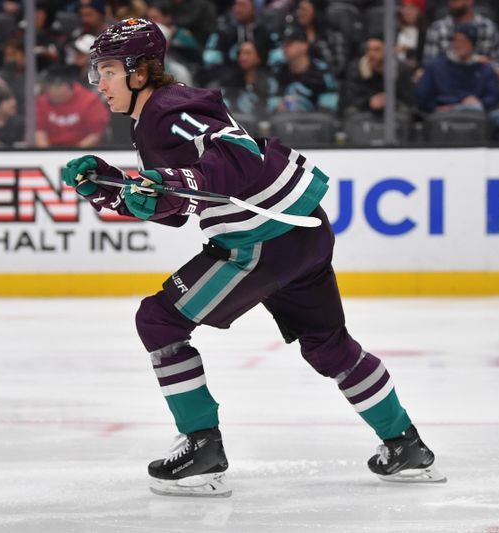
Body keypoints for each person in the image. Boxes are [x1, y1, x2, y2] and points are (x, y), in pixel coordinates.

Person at [60, 18, 445, 497]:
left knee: (159, 322)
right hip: (301, 233)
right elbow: (176, 208)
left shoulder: (168, 108)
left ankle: (202, 447)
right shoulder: (157, 117)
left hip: (259, 242)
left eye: (109, 71)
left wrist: (182, 182)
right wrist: (113, 189)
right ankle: (404, 443)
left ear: (140, 71)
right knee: (328, 344)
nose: (100, 84)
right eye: (97, 73)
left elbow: (238, 156)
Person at [416, 23, 499, 144]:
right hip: (446, 111)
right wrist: (438, 108)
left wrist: (481, 103)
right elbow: (422, 97)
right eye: (455, 40)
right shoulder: (436, 66)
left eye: (463, 41)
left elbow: (495, 95)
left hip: (477, 110)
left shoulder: (484, 67)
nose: (458, 44)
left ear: (472, 44)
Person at [340, 34, 414, 118]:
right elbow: (348, 99)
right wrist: (369, 101)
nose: (371, 54)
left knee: (405, 112)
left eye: (377, 50)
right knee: (351, 111)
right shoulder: (356, 68)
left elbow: (408, 100)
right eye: (369, 49)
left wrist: (391, 101)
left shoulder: (401, 70)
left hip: (393, 112)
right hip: (364, 112)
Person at [35, 65, 109, 147]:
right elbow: (39, 132)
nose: (51, 91)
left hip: (81, 152)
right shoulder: (42, 101)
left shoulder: (90, 101)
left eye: (56, 87)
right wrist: (46, 154)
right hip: (51, 152)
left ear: (68, 86)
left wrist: (75, 154)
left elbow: (96, 134)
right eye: (48, 87)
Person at [270, 23, 337, 113]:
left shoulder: (322, 71)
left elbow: (329, 107)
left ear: (304, 46)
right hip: (284, 122)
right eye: (283, 43)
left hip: (314, 124)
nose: (284, 47)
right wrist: (277, 106)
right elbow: (271, 101)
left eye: (289, 43)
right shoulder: (279, 70)